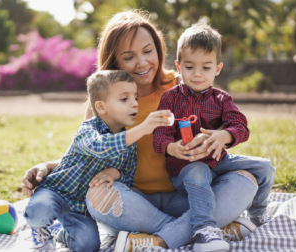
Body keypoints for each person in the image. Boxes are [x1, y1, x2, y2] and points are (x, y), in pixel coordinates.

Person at [23, 10, 260, 252]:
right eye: (129, 57)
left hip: (188, 196)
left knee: (246, 181)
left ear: (158, 49)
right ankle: (209, 229)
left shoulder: (186, 83)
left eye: (148, 51)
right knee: (96, 195)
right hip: (134, 206)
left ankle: (158, 239)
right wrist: (47, 167)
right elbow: (85, 155)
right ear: (115, 62)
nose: (143, 62)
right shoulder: (105, 105)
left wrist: (217, 137)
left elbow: (225, 125)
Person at [152, 22, 276, 251]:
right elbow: (159, 135)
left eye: (206, 68)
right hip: (185, 167)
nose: (197, 74)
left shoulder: (221, 99)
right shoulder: (170, 99)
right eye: (190, 67)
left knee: (265, 167)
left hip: (218, 161)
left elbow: (241, 126)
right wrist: (172, 148)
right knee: (199, 170)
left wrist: (225, 136)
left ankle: (257, 215)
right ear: (179, 66)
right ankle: (204, 231)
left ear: (217, 68)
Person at [23, 70, 171, 251]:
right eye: (125, 99)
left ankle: (62, 232)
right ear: (101, 107)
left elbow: (128, 178)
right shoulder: (88, 129)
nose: (134, 104)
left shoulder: (129, 145)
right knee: (39, 211)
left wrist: (115, 173)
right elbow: (100, 147)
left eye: (136, 98)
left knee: (88, 246)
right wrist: (143, 129)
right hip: (57, 191)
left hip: (80, 208)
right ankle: (40, 231)